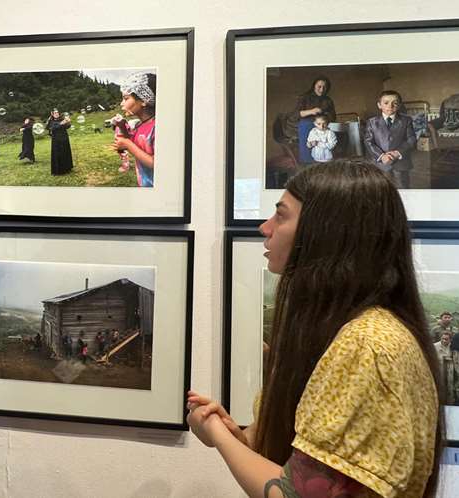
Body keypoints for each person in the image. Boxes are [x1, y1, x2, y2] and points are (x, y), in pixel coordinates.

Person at [187, 159, 443, 497]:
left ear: (327, 233)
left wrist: (217, 436)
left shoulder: (366, 345)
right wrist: (242, 439)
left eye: (281, 215)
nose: (265, 228)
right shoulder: (349, 330)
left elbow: (297, 495)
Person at [110, 72, 156, 187]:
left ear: (144, 100)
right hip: (144, 184)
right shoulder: (139, 125)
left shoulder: (157, 127)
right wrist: (121, 126)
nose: (122, 103)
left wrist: (127, 144)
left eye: (126, 99)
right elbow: (132, 140)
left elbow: (155, 163)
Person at [364, 90, 416, 189]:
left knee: (402, 188)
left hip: (400, 163)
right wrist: (381, 156)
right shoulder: (372, 122)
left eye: (394, 103)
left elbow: (411, 139)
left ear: (399, 105)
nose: (390, 106)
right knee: (382, 188)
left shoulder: (406, 120)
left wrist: (398, 153)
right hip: (380, 164)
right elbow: (368, 141)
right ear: (379, 105)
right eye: (386, 103)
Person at [279, 76, 336, 163]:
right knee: (308, 156)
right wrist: (311, 111)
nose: (321, 89)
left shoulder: (328, 100)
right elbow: (295, 115)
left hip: (322, 128)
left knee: (324, 154)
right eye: (319, 86)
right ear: (314, 86)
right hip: (306, 127)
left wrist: (324, 116)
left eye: (324, 87)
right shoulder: (305, 98)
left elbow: (333, 117)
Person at [47, 109, 73, 175]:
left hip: (64, 139)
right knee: (58, 154)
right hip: (56, 140)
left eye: (57, 113)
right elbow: (52, 128)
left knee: (65, 153)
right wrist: (61, 123)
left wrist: (68, 122)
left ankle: (67, 168)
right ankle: (59, 171)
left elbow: (67, 127)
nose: (57, 114)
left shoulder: (61, 119)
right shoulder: (51, 121)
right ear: (52, 114)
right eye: (55, 113)